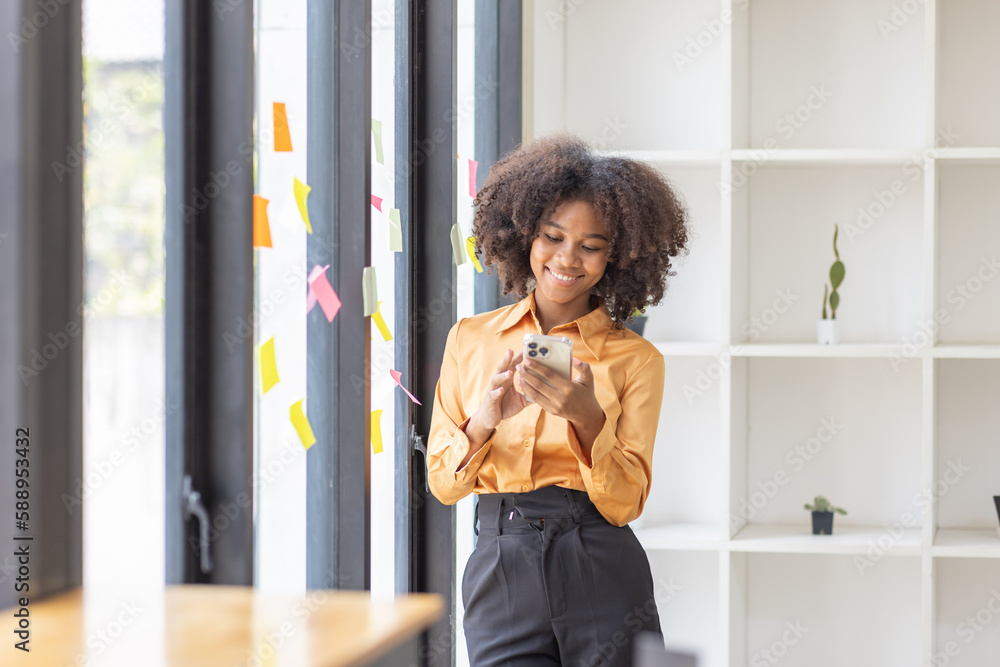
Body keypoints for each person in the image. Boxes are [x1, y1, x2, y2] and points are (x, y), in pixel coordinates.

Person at [426, 133, 690, 667]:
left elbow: (624, 503)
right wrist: (483, 422)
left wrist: (588, 418)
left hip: (600, 555)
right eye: (552, 236)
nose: (568, 259)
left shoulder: (636, 359)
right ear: (523, 234)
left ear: (617, 258)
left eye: (591, 246)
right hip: (501, 562)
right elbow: (443, 485)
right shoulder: (470, 339)